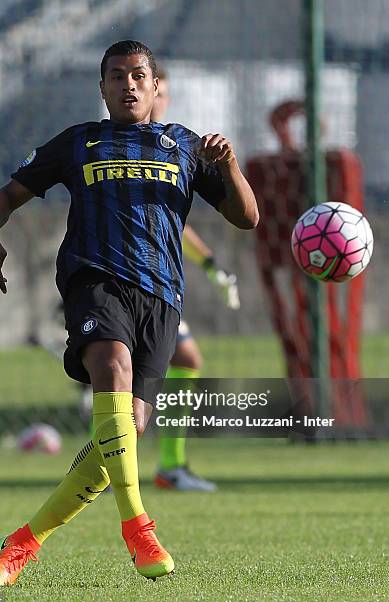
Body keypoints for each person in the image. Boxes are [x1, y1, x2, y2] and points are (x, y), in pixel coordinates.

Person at [0, 40, 259, 585]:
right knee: (111, 370)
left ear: (155, 87)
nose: (127, 84)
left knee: (123, 433)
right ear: (102, 87)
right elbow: (7, 196)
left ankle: (22, 542)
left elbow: (247, 217)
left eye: (138, 76)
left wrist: (232, 167)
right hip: (95, 281)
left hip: (162, 299)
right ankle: (138, 526)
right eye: (116, 76)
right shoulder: (79, 142)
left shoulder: (185, 146)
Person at [150, 68, 241, 492]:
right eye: (157, 92)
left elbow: (175, 223)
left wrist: (211, 265)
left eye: (165, 93)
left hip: (158, 284)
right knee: (121, 380)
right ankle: (120, 469)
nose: (159, 101)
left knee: (183, 361)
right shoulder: (120, 146)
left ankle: (169, 467)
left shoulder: (174, 147)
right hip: (122, 281)